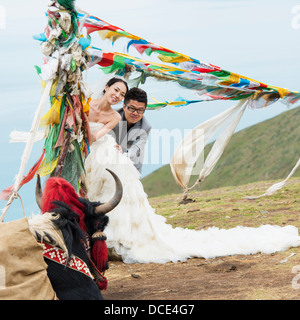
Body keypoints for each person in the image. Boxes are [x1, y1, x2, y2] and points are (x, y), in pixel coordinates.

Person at [85, 77, 300, 264]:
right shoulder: (111, 111)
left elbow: (135, 151)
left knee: (122, 198)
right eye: (130, 107)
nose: (134, 113)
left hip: (122, 163)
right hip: (97, 157)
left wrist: (119, 153)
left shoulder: (138, 125)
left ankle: (115, 240)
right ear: (120, 100)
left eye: (140, 110)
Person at [111, 87, 151, 174]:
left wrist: (123, 150)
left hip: (130, 164)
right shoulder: (112, 115)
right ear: (124, 106)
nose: (135, 113)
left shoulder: (146, 126)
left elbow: (136, 149)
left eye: (140, 110)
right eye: (132, 108)